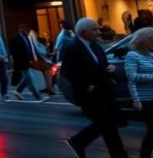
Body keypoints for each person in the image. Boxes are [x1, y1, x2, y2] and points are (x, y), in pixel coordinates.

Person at [61, 17, 127, 158]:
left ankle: (78, 141)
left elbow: (102, 63)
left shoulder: (95, 45)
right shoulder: (71, 47)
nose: (98, 32)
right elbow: (67, 71)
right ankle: (119, 155)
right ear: (84, 32)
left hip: (104, 91)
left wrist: (110, 68)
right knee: (107, 124)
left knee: (108, 123)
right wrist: (85, 85)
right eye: (94, 29)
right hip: (88, 94)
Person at [126, 27, 153, 158]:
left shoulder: (151, 55)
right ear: (143, 40)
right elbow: (132, 78)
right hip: (144, 100)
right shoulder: (132, 55)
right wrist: (136, 100)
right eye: (150, 38)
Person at [9, 24, 47, 101]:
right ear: (21, 29)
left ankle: (18, 90)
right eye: (25, 29)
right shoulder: (16, 38)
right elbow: (14, 52)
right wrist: (14, 62)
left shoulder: (26, 37)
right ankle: (37, 96)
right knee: (29, 78)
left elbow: (29, 49)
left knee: (27, 77)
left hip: (27, 61)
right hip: (21, 62)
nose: (27, 31)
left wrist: (32, 58)